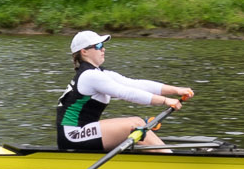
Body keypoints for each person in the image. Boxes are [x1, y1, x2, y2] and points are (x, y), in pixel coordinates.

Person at [57, 30, 193, 153]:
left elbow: (135, 84)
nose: (103, 49)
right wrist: (164, 101)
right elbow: (126, 93)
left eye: (103, 45)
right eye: (98, 46)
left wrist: (175, 90)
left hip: (84, 131)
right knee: (136, 125)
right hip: (73, 136)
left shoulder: (99, 73)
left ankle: (165, 157)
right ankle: (171, 160)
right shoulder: (90, 76)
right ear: (84, 51)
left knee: (138, 123)